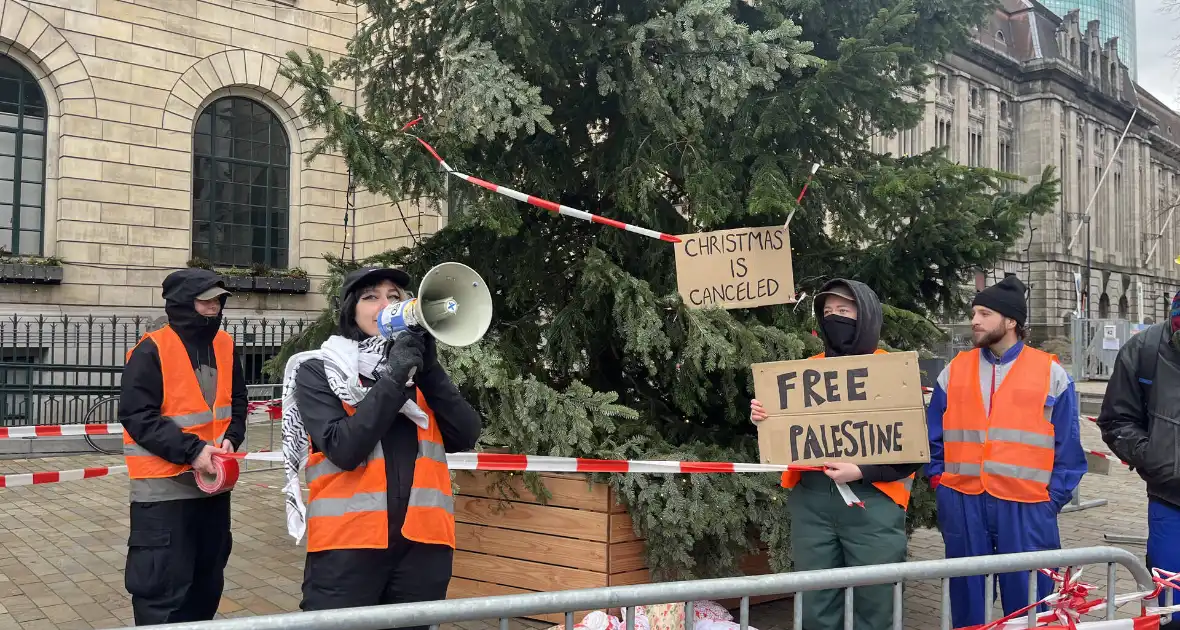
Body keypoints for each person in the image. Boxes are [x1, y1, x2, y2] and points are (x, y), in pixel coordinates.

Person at [280, 266, 481, 624]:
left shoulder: (418, 369)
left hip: (422, 545)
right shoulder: (318, 371)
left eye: (393, 296)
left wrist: (430, 370)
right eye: (370, 297)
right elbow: (344, 448)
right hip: (348, 547)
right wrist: (393, 378)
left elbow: (464, 434)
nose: (384, 304)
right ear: (351, 312)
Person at [750, 279, 919, 630]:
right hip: (811, 504)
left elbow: (914, 450)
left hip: (874, 504)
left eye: (844, 311)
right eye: (828, 312)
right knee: (815, 602)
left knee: (875, 604)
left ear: (866, 316)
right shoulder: (803, 372)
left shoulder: (894, 372)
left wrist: (862, 471)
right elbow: (788, 438)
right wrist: (766, 418)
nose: (834, 318)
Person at [926, 275, 1086, 628]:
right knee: (968, 604)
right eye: (974, 312)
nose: (974, 320)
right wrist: (940, 482)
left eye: (984, 313)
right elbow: (932, 436)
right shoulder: (954, 371)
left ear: (1011, 321)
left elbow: (1069, 451)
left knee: (1033, 605)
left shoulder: (1051, 374)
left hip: (1027, 507)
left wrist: (1050, 501)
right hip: (963, 501)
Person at [118, 268, 248, 624]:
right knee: (162, 592)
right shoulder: (151, 349)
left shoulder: (225, 345)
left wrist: (232, 438)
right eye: (206, 301)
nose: (215, 309)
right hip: (164, 493)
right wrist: (193, 451)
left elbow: (238, 402)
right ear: (182, 304)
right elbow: (138, 416)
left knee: (206, 586)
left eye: (219, 301)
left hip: (214, 489)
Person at [1096, 293, 1180, 629]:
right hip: (1170, 504)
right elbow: (1116, 419)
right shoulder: (1145, 349)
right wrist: (1154, 455)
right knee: (1173, 612)